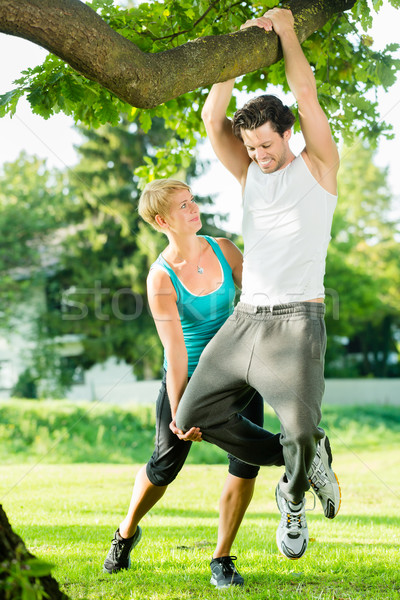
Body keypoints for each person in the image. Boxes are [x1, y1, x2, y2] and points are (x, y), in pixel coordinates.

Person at [175, 7, 341, 561]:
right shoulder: (249, 173)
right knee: (190, 417)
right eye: (251, 148)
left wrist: (286, 29)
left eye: (266, 145)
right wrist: (236, 47)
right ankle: (306, 454)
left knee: (297, 429)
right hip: (246, 320)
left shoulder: (317, 167)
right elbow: (210, 116)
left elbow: (306, 91)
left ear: (288, 134)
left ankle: (293, 499)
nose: (258, 156)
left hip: (298, 321)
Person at [102, 178, 285, 588]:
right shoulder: (161, 277)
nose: (194, 208)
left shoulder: (224, 250)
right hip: (187, 378)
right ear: (162, 220)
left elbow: (261, 298)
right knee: (164, 467)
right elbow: (175, 351)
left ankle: (222, 558)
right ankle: (126, 532)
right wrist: (183, 410)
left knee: (245, 463)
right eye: (183, 206)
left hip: (237, 375)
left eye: (192, 200)